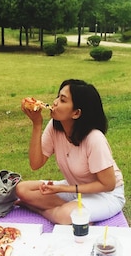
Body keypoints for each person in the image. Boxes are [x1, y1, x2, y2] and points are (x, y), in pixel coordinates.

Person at [17, 79, 125, 225]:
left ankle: (43, 210)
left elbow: (108, 185)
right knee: (22, 189)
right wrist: (37, 124)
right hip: (76, 189)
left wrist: (63, 188)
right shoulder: (55, 127)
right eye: (58, 97)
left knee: (64, 215)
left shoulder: (95, 139)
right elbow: (35, 164)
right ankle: (76, 216)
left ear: (76, 113)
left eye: (62, 100)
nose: (55, 102)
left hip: (105, 195)